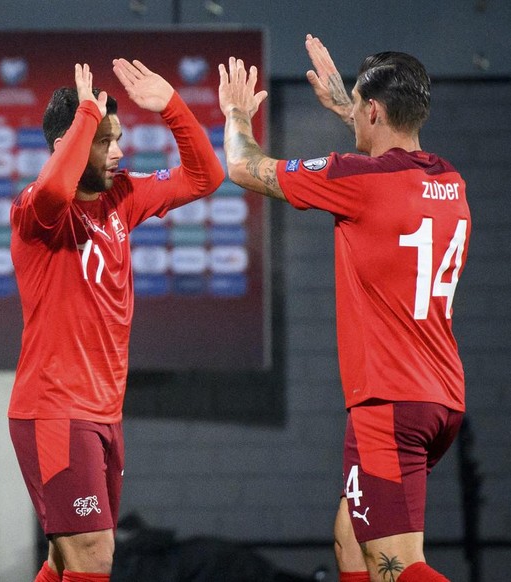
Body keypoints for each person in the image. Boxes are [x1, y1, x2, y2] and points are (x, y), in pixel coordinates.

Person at [217, 37, 470, 582]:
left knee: (395, 566)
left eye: (359, 104)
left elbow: (243, 166)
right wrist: (351, 112)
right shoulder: (450, 180)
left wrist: (236, 113)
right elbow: (388, 173)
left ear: (373, 110)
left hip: (389, 404)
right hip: (438, 399)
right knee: (350, 544)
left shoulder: (357, 179)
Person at [8, 59, 225, 582]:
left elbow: (206, 177)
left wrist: (173, 106)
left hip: (104, 413)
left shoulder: (122, 198)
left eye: (118, 138)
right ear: (71, 143)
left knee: (68, 562)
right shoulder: (34, 212)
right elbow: (55, 191)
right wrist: (85, 118)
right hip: (56, 410)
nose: (120, 152)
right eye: (107, 141)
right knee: (94, 557)